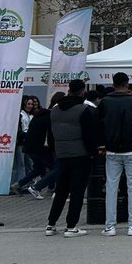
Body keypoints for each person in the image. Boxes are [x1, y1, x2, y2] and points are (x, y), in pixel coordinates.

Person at [45, 80, 99, 237]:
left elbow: (51, 135)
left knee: (61, 190)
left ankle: (51, 224)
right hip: (80, 155)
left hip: (62, 155)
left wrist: (57, 150)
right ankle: (71, 226)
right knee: (77, 192)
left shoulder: (54, 110)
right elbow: (89, 136)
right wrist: (93, 152)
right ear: (82, 91)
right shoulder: (84, 110)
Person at [98, 72, 132, 236]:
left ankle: (110, 226)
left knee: (112, 187)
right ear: (127, 84)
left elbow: (98, 123)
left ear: (113, 83)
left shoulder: (105, 101)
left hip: (112, 149)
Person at [17, 94, 54, 197]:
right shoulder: (23, 115)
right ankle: (37, 187)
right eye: (28, 104)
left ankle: (20, 184)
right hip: (29, 144)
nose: (31, 106)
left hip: (31, 145)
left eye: (32, 104)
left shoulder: (34, 115)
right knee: (23, 165)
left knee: (38, 168)